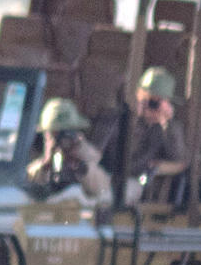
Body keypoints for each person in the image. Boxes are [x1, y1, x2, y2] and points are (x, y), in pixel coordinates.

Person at [94, 66, 190, 204]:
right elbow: (106, 156)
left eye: (158, 102)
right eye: (150, 99)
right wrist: (136, 117)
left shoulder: (165, 128)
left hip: (140, 186)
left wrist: (167, 124)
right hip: (109, 179)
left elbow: (179, 158)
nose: (152, 106)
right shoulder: (117, 118)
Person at [26, 98, 111, 205]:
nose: (62, 139)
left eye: (67, 132)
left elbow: (103, 192)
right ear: (45, 135)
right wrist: (46, 164)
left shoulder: (90, 157)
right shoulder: (30, 156)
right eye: (55, 133)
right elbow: (21, 187)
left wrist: (80, 165)